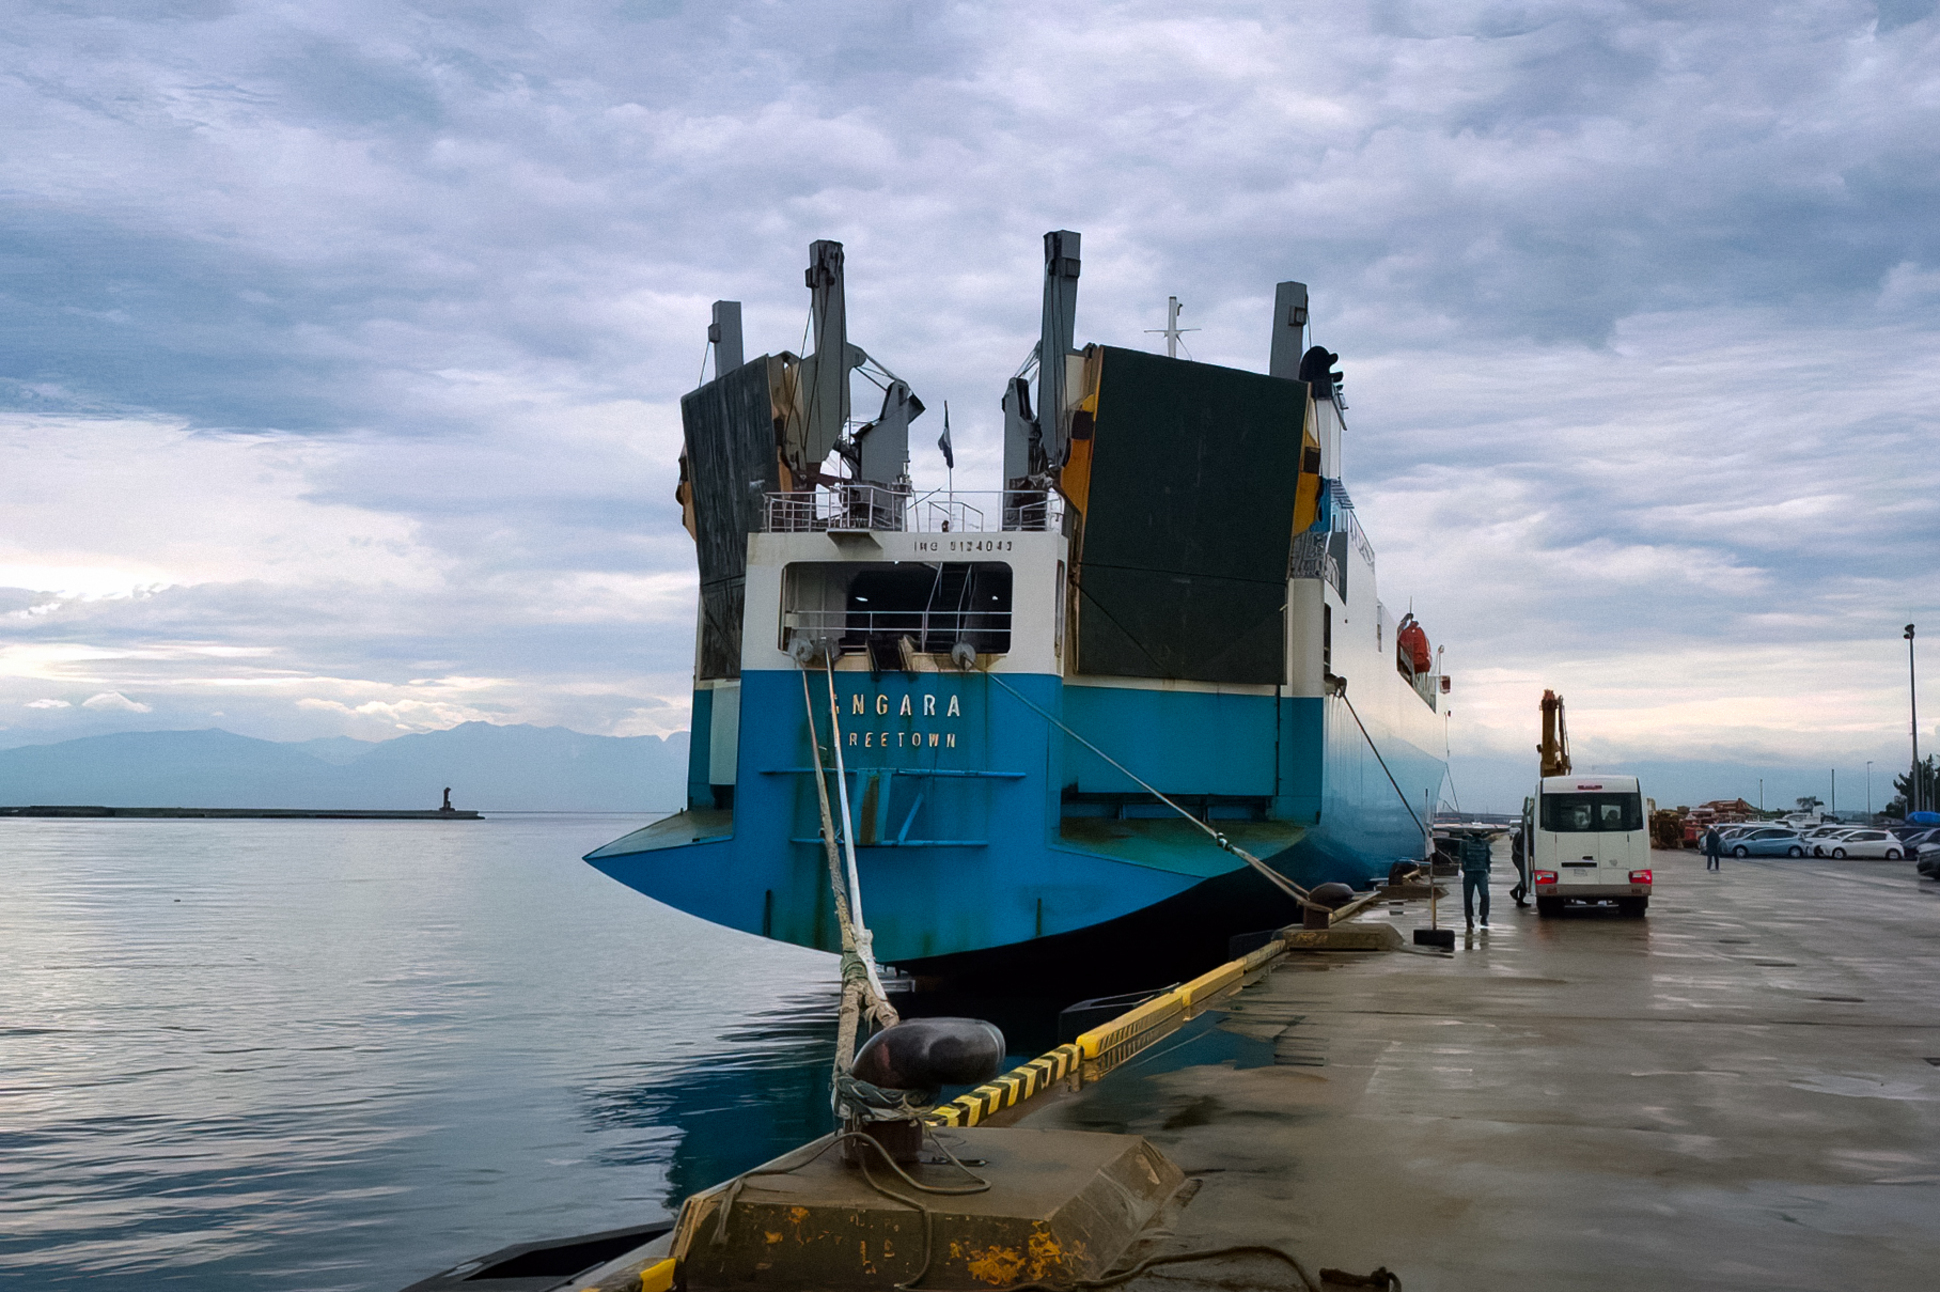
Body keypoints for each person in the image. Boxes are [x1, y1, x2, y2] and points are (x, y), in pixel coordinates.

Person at [1460, 831, 1492, 929]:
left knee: (1484, 895)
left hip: (1481, 872)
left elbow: (1488, 858)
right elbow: (1462, 857)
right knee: (1468, 897)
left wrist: (1487, 869)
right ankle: (1469, 919)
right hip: (1470, 873)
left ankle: (1484, 917)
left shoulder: (1485, 844)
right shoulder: (1465, 844)